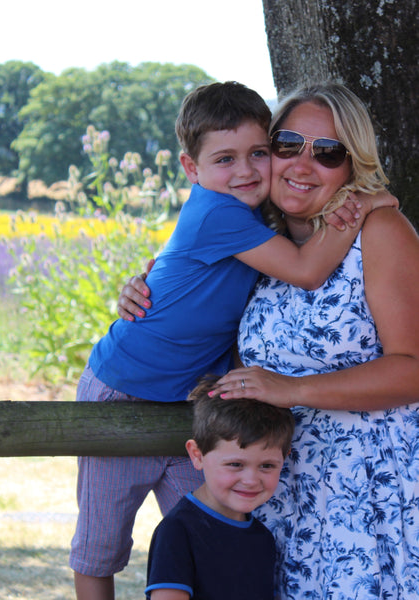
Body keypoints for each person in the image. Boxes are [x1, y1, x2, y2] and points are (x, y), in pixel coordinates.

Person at [70, 81, 393, 600]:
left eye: (258, 154)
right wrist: (364, 202)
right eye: (226, 159)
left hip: (187, 401)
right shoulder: (222, 214)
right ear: (191, 168)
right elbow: (308, 272)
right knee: (101, 543)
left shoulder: (258, 220)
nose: (245, 171)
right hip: (124, 385)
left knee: (209, 528)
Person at [145, 375, 294, 600]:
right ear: (197, 455)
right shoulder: (178, 532)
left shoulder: (263, 537)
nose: (251, 480)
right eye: (235, 464)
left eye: (267, 465)